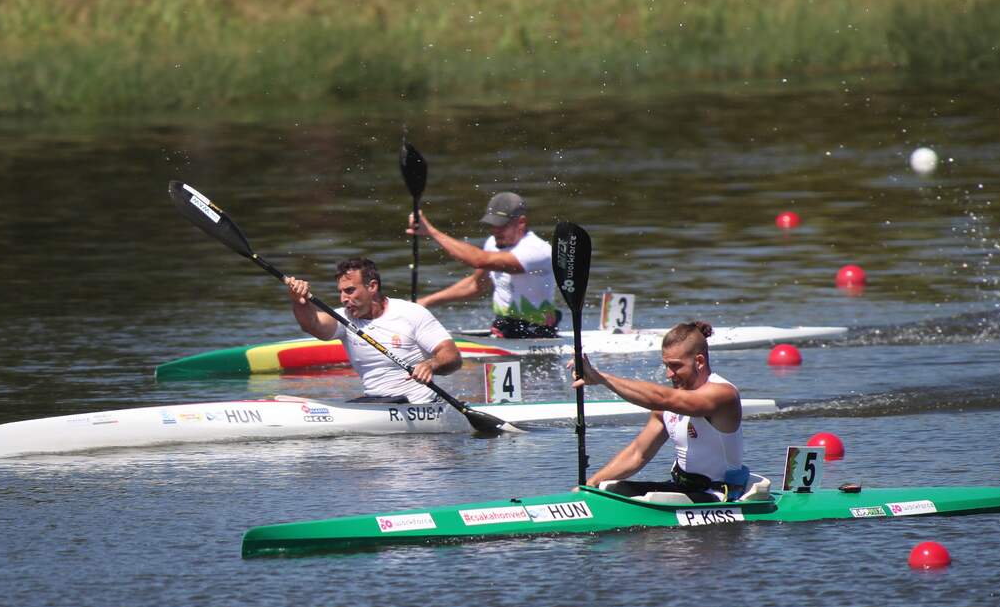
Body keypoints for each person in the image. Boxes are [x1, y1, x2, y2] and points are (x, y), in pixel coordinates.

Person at [571, 321, 751, 501]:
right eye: (666, 365)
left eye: (675, 365)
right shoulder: (668, 407)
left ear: (699, 361)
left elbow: (665, 398)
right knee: (613, 489)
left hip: (718, 497)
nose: (669, 374)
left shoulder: (723, 394)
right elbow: (638, 454)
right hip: (682, 490)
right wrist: (590, 485)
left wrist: (602, 378)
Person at [285, 257, 462, 404]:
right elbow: (312, 325)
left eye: (350, 291)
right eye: (341, 292)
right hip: (376, 404)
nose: (343, 299)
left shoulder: (411, 313)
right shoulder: (344, 319)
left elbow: (452, 356)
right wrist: (299, 301)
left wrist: (431, 365)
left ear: (372, 286)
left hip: (418, 405)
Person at [407, 191, 561, 338]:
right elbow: (476, 285)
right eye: (492, 224)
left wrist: (431, 232)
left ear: (521, 222)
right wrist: (424, 302)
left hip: (537, 333)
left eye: (502, 225)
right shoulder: (492, 243)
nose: (495, 230)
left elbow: (478, 260)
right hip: (503, 329)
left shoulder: (538, 251)